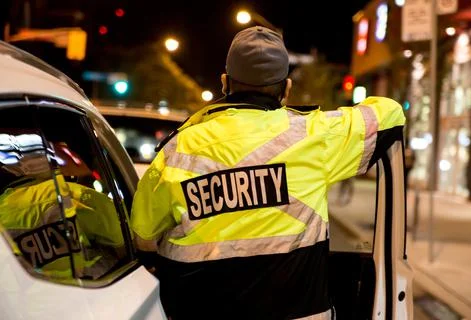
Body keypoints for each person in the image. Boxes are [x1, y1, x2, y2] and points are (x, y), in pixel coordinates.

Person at [131, 26, 405, 319]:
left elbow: (142, 234)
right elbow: (389, 113)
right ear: (286, 88)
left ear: (225, 83)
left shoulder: (178, 150)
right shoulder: (315, 136)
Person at [0, 136, 125, 279]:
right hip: (86, 291)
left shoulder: (3, 211)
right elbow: (123, 239)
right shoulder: (73, 194)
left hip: (28, 299)